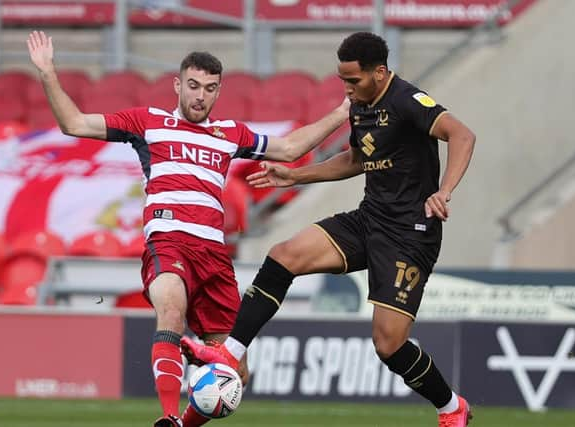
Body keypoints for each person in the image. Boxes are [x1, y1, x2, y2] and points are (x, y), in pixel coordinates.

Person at [27, 30, 349, 427]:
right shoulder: (148, 122)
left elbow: (289, 149)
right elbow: (74, 124)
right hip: (169, 241)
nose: (200, 96)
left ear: (218, 92)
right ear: (178, 85)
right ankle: (166, 416)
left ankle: (182, 423)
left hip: (215, 257)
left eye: (210, 89)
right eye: (193, 86)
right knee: (171, 309)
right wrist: (47, 72)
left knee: (235, 374)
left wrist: (342, 112)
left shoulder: (230, 134)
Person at [181, 31, 476, 427]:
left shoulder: (408, 100)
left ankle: (450, 407)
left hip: (410, 234)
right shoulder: (360, 105)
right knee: (283, 256)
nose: (346, 89)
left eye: (353, 80)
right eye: (342, 80)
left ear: (380, 72)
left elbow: (462, 134)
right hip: (369, 218)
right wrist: (295, 176)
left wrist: (445, 190)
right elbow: (356, 158)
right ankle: (231, 352)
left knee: (388, 344)